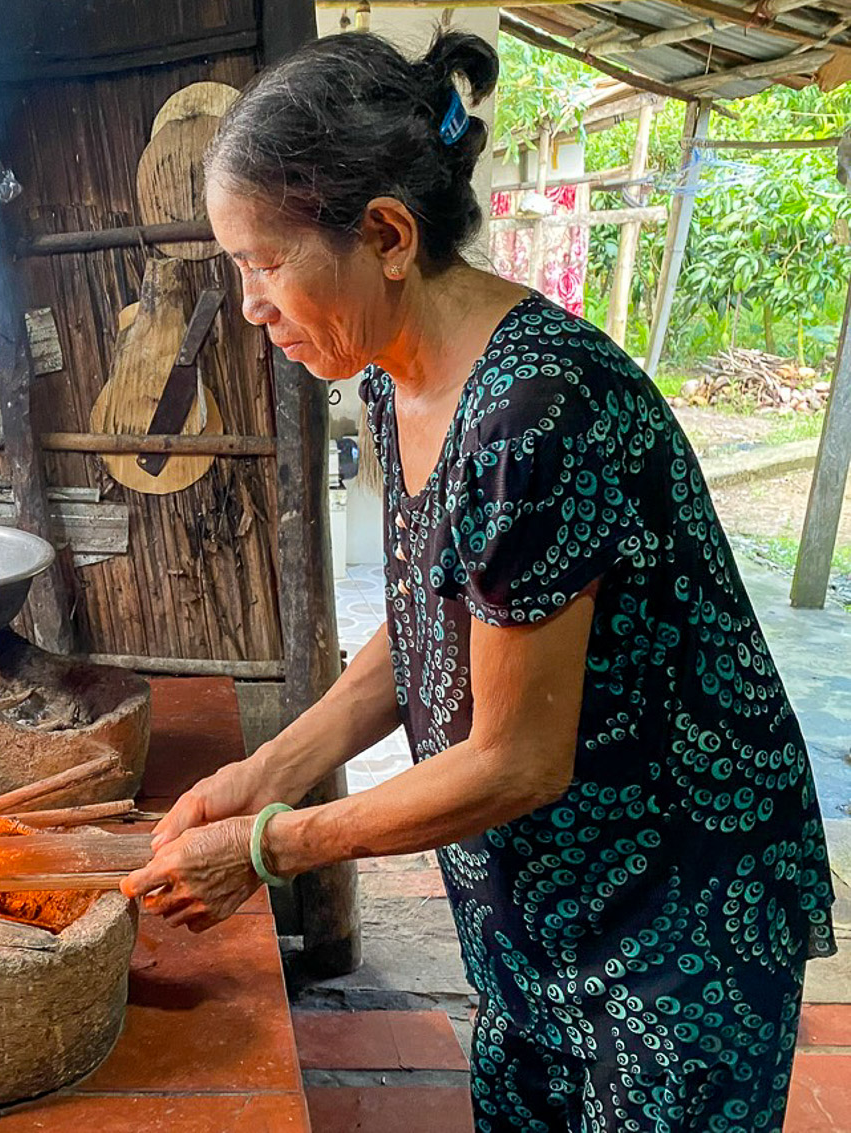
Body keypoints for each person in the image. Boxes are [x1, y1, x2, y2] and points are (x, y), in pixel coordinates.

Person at [120, 30, 836, 1133]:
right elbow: (424, 624)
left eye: (264, 264)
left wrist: (272, 844)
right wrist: (268, 768)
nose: (252, 308)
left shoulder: (535, 412)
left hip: (669, 908)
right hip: (544, 893)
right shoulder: (391, 373)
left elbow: (513, 758)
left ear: (388, 235)